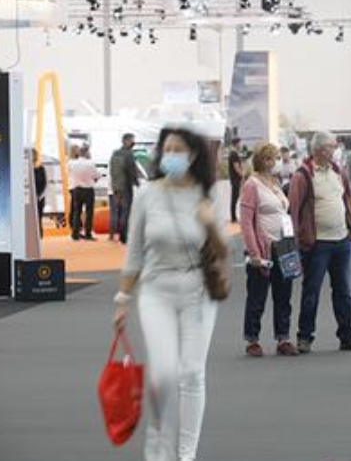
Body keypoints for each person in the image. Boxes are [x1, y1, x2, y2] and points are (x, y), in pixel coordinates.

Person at [112, 125, 226, 461]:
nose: (172, 155)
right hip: (156, 290)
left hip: (198, 291)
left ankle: (186, 454)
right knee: (163, 374)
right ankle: (159, 450)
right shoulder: (147, 194)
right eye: (167, 150)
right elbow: (134, 252)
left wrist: (209, 223)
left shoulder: (208, 193)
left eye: (179, 150)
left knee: (192, 372)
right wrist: (122, 300)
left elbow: (223, 250)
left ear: (193, 155)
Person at [288, 131, 351, 354]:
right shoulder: (303, 176)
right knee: (311, 291)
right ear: (320, 149)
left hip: (341, 240)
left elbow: (348, 199)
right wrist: (296, 242)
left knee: (343, 291)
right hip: (317, 244)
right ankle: (304, 337)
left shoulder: (338, 171)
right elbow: (293, 210)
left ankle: (347, 336)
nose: (335, 150)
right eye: (332, 146)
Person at [239, 142, 300, 357]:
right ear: (262, 160)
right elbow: (246, 222)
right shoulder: (251, 185)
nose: (274, 162)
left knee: (283, 296)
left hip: (283, 246)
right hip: (264, 248)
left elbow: (284, 213)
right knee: (257, 296)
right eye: (271, 158)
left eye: (276, 158)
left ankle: (283, 338)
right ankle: (252, 339)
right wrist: (253, 252)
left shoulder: (275, 182)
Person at [109, 133, 139, 244]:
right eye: (132, 140)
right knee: (125, 212)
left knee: (117, 211)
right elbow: (131, 171)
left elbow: (112, 170)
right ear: (126, 141)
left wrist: (114, 185)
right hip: (126, 187)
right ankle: (124, 237)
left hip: (116, 187)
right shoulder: (129, 154)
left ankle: (115, 234)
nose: (133, 142)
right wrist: (137, 183)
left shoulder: (115, 153)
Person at [68, 145, 100, 241]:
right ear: (86, 153)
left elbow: (70, 174)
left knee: (76, 212)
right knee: (89, 213)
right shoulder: (91, 163)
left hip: (76, 189)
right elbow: (97, 175)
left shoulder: (71, 163)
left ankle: (75, 234)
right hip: (88, 190)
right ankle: (88, 234)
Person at [228, 137, 245, 223]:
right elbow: (237, 168)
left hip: (235, 179)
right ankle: (233, 218)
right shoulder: (234, 154)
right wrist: (243, 175)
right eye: (239, 143)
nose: (240, 145)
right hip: (235, 180)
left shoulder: (233, 154)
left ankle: (233, 217)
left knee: (235, 198)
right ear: (236, 144)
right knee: (234, 198)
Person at [32, 149, 47, 239]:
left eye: (33, 155)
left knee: (38, 218)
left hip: (39, 198)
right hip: (28, 198)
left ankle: (39, 237)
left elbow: (44, 183)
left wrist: (39, 196)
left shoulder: (41, 168)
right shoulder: (24, 169)